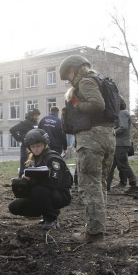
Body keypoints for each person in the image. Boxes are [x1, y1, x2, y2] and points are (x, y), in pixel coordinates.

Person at [59, 55, 115, 243]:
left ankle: (93, 233)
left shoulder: (85, 81)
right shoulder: (102, 81)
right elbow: (120, 104)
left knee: (89, 186)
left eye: (68, 74)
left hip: (91, 138)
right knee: (99, 184)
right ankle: (98, 228)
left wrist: (77, 106)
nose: (68, 79)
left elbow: (98, 105)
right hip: (108, 135)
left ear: (75, 69)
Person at [8, 129, 72, 230]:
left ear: (44, 144)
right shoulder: (33, 159)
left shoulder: (52, 158)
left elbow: (55, 182)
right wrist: (24, 182)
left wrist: (34, 178)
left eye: (38, 146)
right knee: (14, 207)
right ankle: (45, 212)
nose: (36, 149)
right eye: (33, 147)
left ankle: (51, 218)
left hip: (60, 194)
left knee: (38, 189)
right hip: (44, 192)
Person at [107, 98, 138, 195]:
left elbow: (123, 127)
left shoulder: (123, 113)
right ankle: (106, 187)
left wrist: (111, 132)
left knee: (123, 164)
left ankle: (134, 185)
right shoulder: (121, 113)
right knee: (111, 165)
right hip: (118, 144)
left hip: (121, 144)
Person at [10, 108, 40, 177]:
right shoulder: (24, 123)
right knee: (24, 163)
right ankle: (22, 179)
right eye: (35, 115)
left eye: (37, 115)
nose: (37, 117)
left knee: (34, 163)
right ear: (31, 115)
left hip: (34, 147)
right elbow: (12, 130)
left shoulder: (36, 123)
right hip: (25, 147)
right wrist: (19, 139)